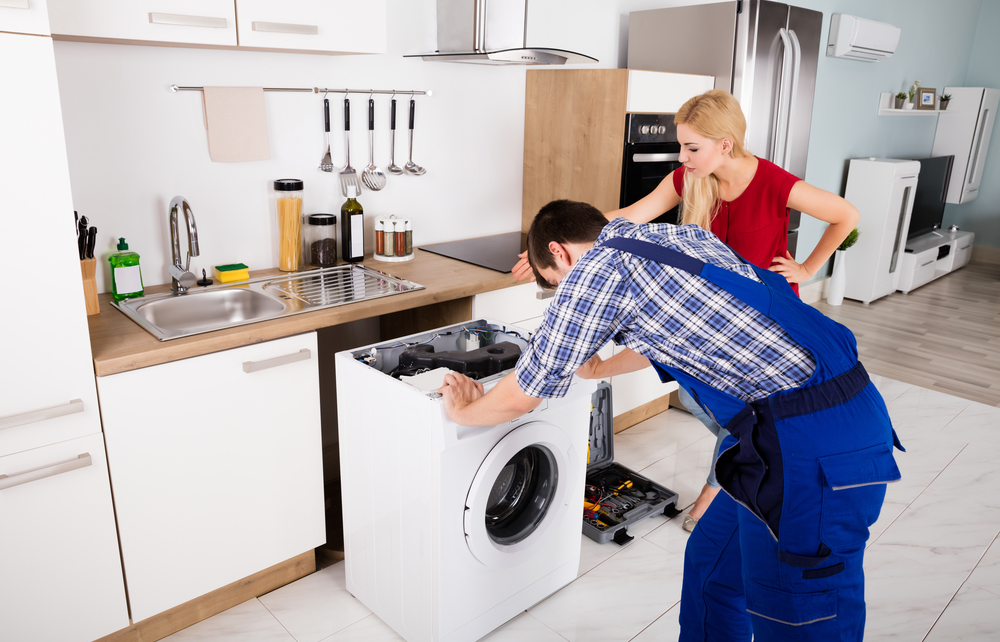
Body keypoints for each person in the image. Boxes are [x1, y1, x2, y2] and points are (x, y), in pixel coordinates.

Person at [442, 200, 902, 640]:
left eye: (554, 281)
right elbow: (683, 328)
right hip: (811, 421)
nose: (563, 290)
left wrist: (463, 411)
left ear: (559, 253)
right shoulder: (673, 237)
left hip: (810, 450)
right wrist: (599, 369)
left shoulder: (592, 273)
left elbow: (523, 394)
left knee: (799, 614)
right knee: (711, 568)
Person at [512, 89, 859, 530]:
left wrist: (807, 268)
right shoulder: (689, 178)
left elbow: (846, 215)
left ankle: (720, 493)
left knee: (743, 417)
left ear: (725, 145)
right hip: (703, 321)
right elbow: (627, 216)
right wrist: (553, 243)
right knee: (715, 409)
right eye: (681, 146)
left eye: (691, 147)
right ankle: (746, 474)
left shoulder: (774, 183)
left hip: (758, 320)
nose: (682, 157)